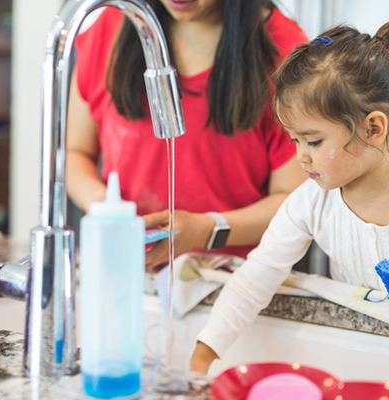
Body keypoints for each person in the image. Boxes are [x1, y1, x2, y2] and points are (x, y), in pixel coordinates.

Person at [190, 21, 389, 373]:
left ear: (373, 128)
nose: (301, 157)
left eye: (314, 141)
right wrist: (204, 354)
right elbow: (256, 276)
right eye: (295, 141)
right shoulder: (309, 201)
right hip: (359, 353)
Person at [67, 0, 308, 270]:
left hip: (235, 280)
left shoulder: (285, 51)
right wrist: (106, 206)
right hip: (124, 269)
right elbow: (77, 153)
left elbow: (294, 201)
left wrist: (206, 229)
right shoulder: (111, 27)